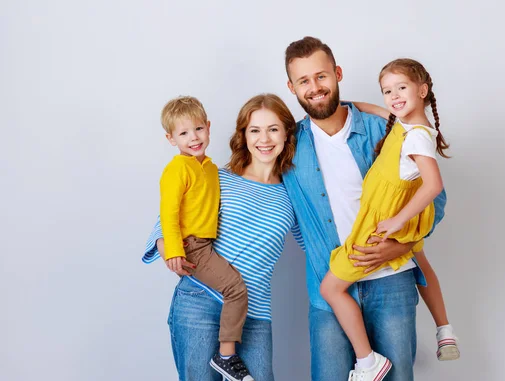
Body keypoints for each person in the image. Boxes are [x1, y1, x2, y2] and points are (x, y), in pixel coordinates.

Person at [281, 37, 446, 381]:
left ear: (337, 73)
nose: (315, 88)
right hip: (329, 290)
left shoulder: (385, 130)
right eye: (304, 81)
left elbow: (436, 201)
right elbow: (244, 184)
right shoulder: (286, 145)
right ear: (291, 87)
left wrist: (400, 245)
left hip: (392, 282)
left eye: (322, 76)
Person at [144, 94, 302, 381]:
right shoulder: (218, 177)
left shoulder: (293, 194)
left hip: (255, 311)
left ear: (286, 134)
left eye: (273, 129)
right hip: (199, 302)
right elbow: (168, 219)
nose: (264, 139)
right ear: (244, 135)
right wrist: (167, 246)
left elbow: (314, 243)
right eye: (255, 130)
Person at [318, 57, 457, 380]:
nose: (393, 96)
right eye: (387, 91)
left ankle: (368, 361)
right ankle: (444, 328)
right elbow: (372, 108)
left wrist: (396, 222)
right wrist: (345, 104)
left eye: (402, 88)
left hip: (380, 221)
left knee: (330, 289)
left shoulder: (418, 136)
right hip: (392, 213)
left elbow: (434, 185)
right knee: (419, 260)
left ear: (422, 90)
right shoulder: (403, 122)